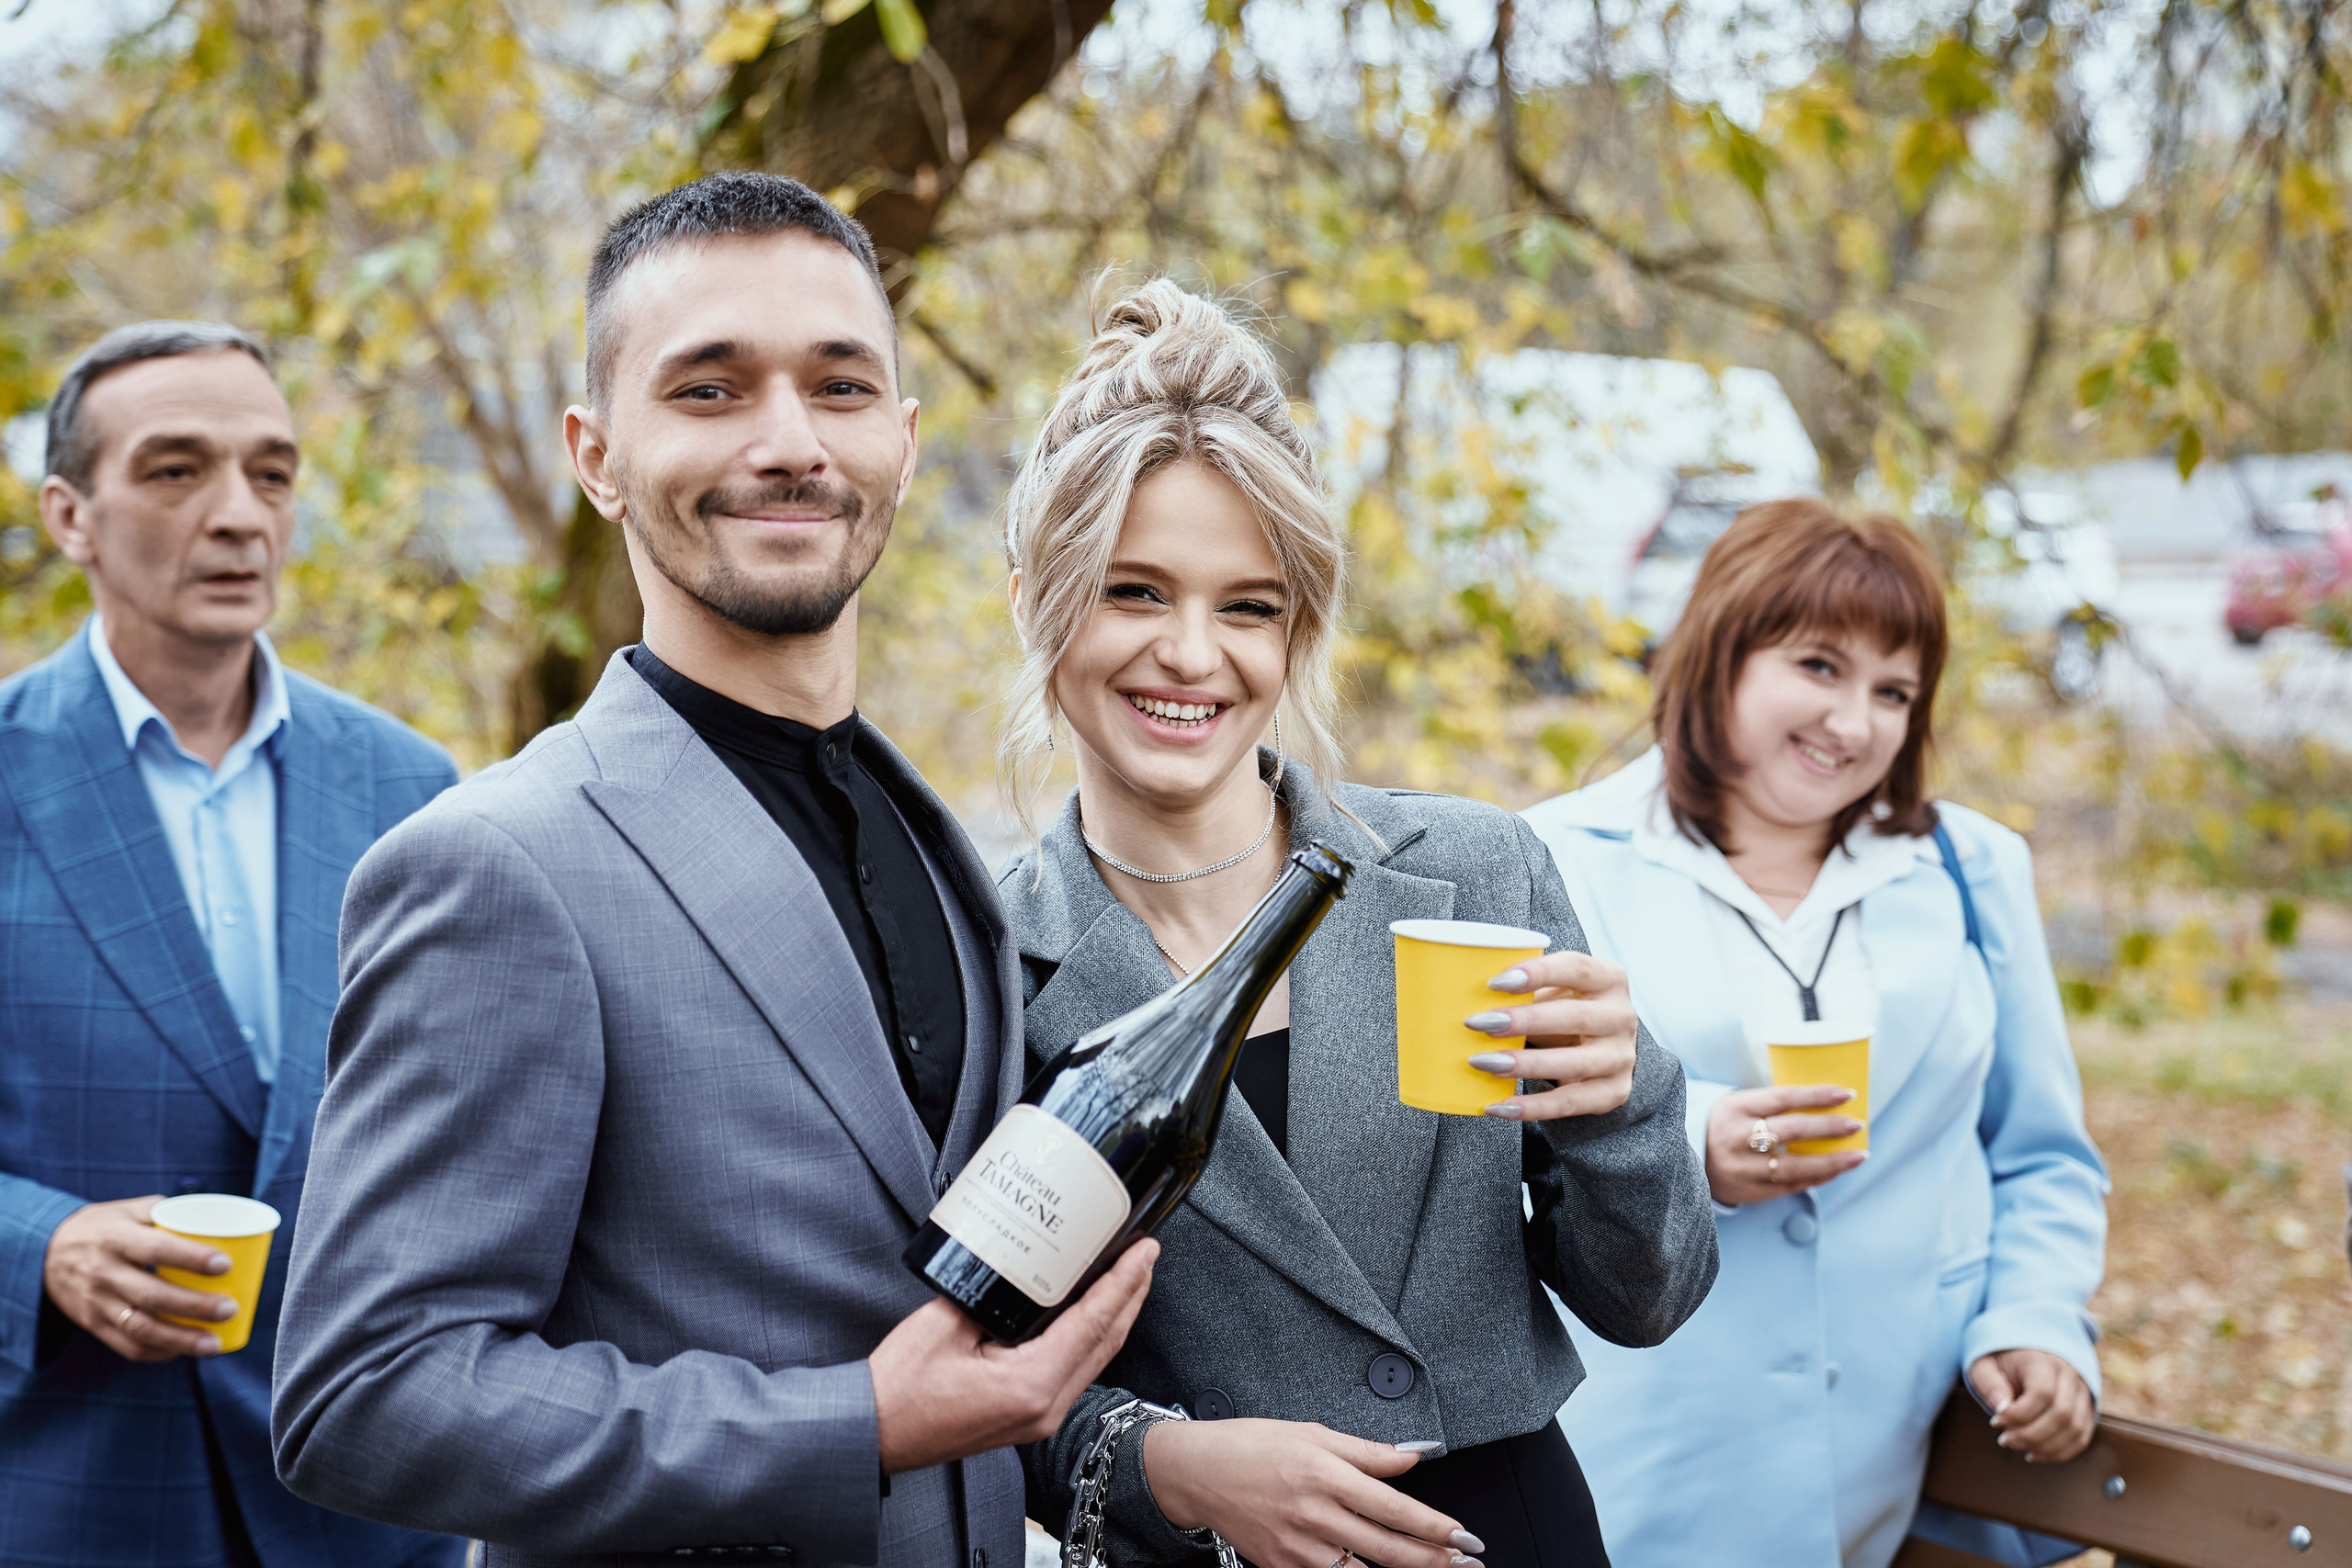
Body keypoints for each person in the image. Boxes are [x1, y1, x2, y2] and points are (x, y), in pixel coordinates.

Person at [270, 173, 1156, 1568]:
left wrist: (1173, 1466)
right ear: (595, 452)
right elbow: (365, 1391)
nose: (791, 441)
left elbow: (950, 1343)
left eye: (841, 387)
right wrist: (847, 1423)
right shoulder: (496, 864)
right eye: (710, 389)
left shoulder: (947, 853)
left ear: (906, 444)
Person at [995, 280, 1719, 1568]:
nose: (1192, 653)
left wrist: (1626, 1100)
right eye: (1135, 591)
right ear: (1037, 598)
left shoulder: (1478, 869)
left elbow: (1647, 1295)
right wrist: (1165, 1463)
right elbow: (968, 1375)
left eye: (1249, 605)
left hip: (1508, 1531)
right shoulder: (987, 962)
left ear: (1298, 628)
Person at [1521, 500, 2109, 1568]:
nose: (1854, 722)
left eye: (1894, 691)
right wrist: (1687, 1139)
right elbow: (1489, 1158)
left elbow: (2041, 1160)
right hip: (1645, 1456)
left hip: (1904, 1467)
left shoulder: (1975, 872)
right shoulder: (1550, 857)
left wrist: (2035, 1320)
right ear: (1720, 653)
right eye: (1818, 667)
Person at [0, 321, 462, 1568]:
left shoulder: (414, 786)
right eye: (173, 470)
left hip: (368, 1510)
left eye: (271, 472)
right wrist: (39, 1244)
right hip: (67, 1495)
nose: (239, 514)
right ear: (69, 515)